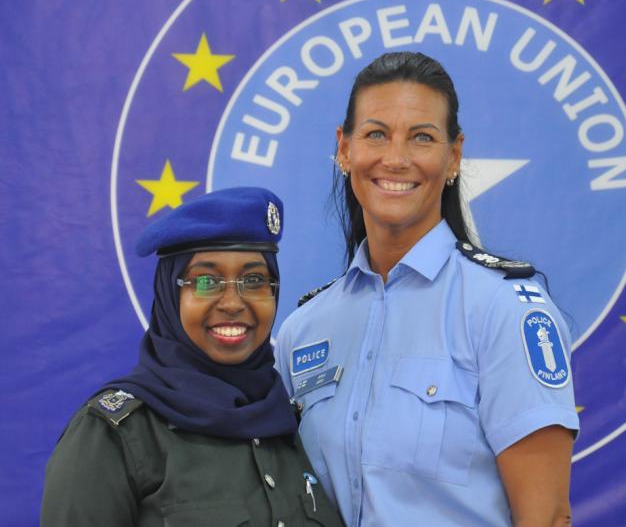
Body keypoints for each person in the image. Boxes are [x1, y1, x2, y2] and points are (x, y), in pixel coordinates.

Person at [275, 52, 579, 527]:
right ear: (344, 148)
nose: (396, 159)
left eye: (422, 137)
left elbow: (547, 516)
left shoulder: (505, 309)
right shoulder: (302, 330)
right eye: (376, 134)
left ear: (453, 155)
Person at [41, 187, 344, 526]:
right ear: (170, 294)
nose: (232, 303)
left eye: (255, 280)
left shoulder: (290, 422)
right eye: (206, 282)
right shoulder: (114, 437)